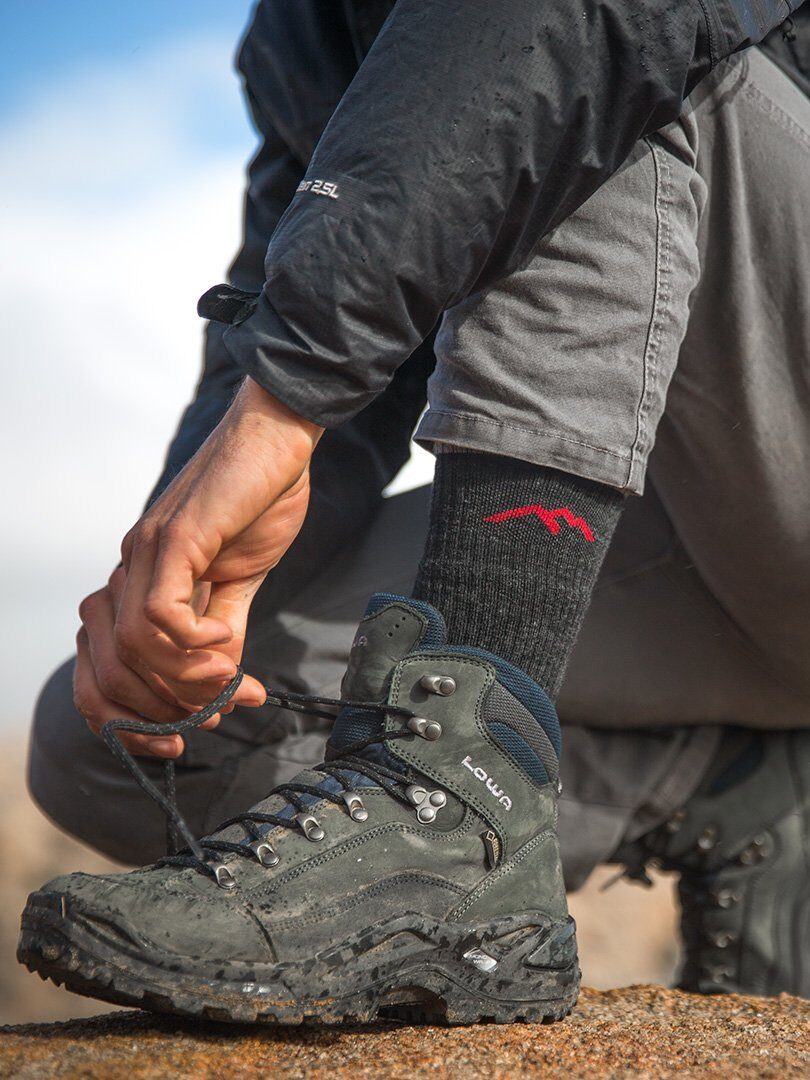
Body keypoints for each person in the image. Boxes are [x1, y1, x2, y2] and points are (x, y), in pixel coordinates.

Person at [19, 0, 810, 1022]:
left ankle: (458, 803)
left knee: (572, 74)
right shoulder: (295, 32)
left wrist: (285, 402)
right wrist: (174, 588)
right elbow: (307, 282)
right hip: (704, 543)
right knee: (123, 739)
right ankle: (730, 787)